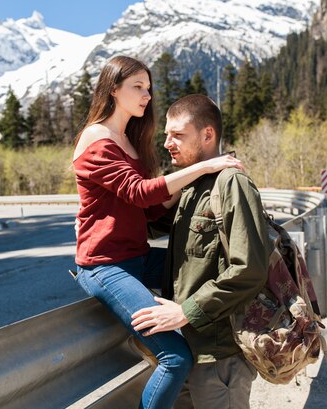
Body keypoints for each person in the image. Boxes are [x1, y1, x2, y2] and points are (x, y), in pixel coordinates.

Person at [72, 57, 243, 409]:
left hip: (138, 256)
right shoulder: (96, 138)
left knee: (209, 269)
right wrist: (203, 166)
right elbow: (139, 192)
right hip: (106, 266)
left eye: (149, 88)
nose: (147, 95)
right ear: (113, 89)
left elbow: (150, 209)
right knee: (176, 357)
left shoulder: (130, 141)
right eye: (138, 86)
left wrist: (202, 181)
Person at [130, 94, 271, 409]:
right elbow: (145, 225)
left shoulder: (231, 183)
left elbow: (249, 269)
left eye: (178, 135)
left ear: (208, 135)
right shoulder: (191, 186)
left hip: (219, 354)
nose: (168, 143)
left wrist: (185, 312)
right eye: (167, 134)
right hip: (184, 350)